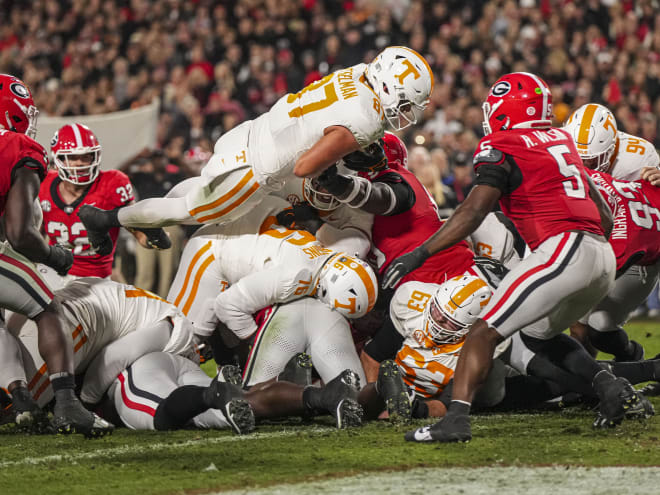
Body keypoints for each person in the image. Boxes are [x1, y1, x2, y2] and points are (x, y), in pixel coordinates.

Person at [382, 72, 645, 443]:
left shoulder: (502, 143)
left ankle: (455, 419)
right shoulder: (561, 140)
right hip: (599, 256)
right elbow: (603, 214)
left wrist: (419, 254)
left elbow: (472, 212)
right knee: (541, 335)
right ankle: (610, 387)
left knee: (483, 330)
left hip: (564, 249)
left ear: (505, 110)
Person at [76, 46, 434, 250]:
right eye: (406, 104)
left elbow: (325, 119)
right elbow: (306, 167)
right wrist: (340, 165)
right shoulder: (367, 119)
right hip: (255, 170)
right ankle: (106, 219)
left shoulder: (358, 72)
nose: (405, 114)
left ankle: (148, 222)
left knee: (197, 194)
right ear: (390, 89)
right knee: (191, 210)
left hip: (253, 131)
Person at [0, 73, 112, 437]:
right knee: (47, 307)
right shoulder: (18, 146)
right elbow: (19, 234)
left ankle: (19, 401)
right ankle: (67, 403)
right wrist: (55, 257)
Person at [166, 196, 378, 345]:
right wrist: (257, 343)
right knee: (183, 338)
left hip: (245, 236)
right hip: (212, 250)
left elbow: (357, 236)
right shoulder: (296, 278)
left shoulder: (334, 255)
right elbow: (227, 305)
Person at [2, 275, 199, 418]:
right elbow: (113, 358)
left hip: (41, 311)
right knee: (13, 406)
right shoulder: (170, 326)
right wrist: (85, 403)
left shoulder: (140, 302)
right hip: (69, 328)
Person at [564, 103, 660, 357]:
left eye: (591, 160)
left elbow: (647, 221)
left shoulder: (639, 158)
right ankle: (586, 385)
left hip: (632, 251)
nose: (585, 166)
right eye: (578, 158)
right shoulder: (563, 147)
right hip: (592, 240)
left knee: (599, 325)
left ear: (611, 150)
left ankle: (630, 358)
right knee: (578, 320)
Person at [109, 354, 363, 432]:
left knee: (161, 416)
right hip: (171, 357)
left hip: (137, 367)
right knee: (236, 400)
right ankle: (297, 390)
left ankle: (213, 394)